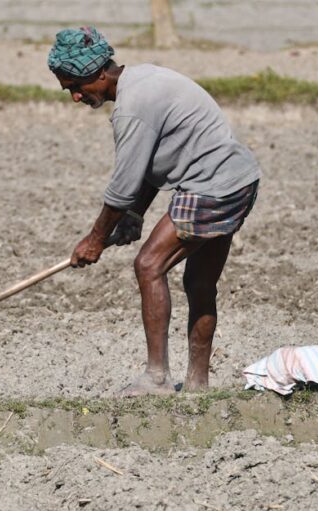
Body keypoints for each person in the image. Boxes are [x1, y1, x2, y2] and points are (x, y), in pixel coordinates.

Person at [48, 26, 261, 396]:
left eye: (76, 87)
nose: (76, 97)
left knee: (149, 265)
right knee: (199, 282)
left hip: (210, 185)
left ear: (100, 72)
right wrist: (135, 216)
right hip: (239, 179)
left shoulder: (131, 110)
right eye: (69, 90)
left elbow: (122, 187)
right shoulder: (143, 78)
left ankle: (157, 378)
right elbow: (149, 168)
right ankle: (198, 385)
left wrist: (95, 239)